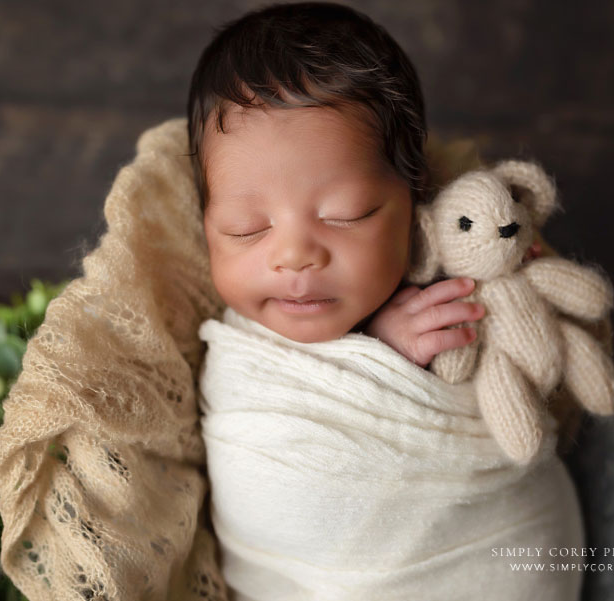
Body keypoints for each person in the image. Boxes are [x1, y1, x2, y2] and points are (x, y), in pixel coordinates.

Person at [188, 3, 584, 599]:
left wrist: (398, 346)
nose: (294, 256)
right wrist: (377, 347)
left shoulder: (451, 276)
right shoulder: (240, 354)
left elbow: (506, 393)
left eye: (347, 216)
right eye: (246, 228)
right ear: (204, 223)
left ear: (415, 197)